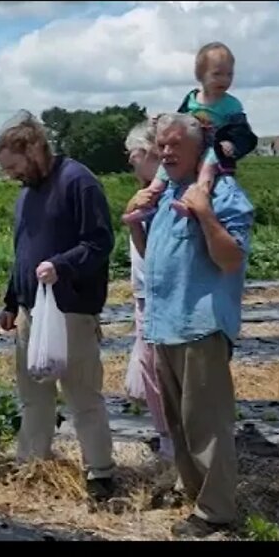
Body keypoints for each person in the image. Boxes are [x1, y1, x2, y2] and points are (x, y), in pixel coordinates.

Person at [128, 112, 254, 538]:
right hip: (165, 323)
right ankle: (195, 492)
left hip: (200, 325)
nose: (165, 152)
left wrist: (204, 215)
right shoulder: (165, 193)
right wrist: (135, 218)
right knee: (180, 423)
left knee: (207, 423)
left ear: (198, 148)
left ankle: (216, 511)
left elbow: (231, 258)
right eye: (161, 145)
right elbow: (152, 254)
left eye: (174, 145)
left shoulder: (222, 194)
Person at [0, 110, 118, 502]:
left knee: (82, 397)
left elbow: (100, 243)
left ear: (33, 149)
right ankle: (33, 464)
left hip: (71, 311)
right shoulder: (26, 194)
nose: (11, 175)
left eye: (13, 166)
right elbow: (22, 253)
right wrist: (12, 299)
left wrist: (62, 265)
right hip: (33, 312)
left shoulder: (77, 182)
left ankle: (100, 472)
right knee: (33, 395)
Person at [122, 42, 258, 223]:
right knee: (164, 169)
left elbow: (241, 130)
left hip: (212, 148)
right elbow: (178, 119)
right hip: (190, 146)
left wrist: (230, 143)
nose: (224, 80)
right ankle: (149, 204)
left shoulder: (232, 105)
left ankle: (196, 199)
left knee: (207, 166)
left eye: (229, 74)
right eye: (217, 74)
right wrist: (162, 120)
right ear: (200, 75)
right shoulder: (192, 98)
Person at [122, 120, 172, 461]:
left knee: (155, 371)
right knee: (150, 369)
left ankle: (170, 441)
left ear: (144, 152)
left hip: (158, 295)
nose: (130, 162)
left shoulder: (162, 195)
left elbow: (151, 253)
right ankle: (168, 436)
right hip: (147, 292)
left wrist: (135, 215)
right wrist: (132, 215)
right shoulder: (148, 194)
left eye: (131, 155)